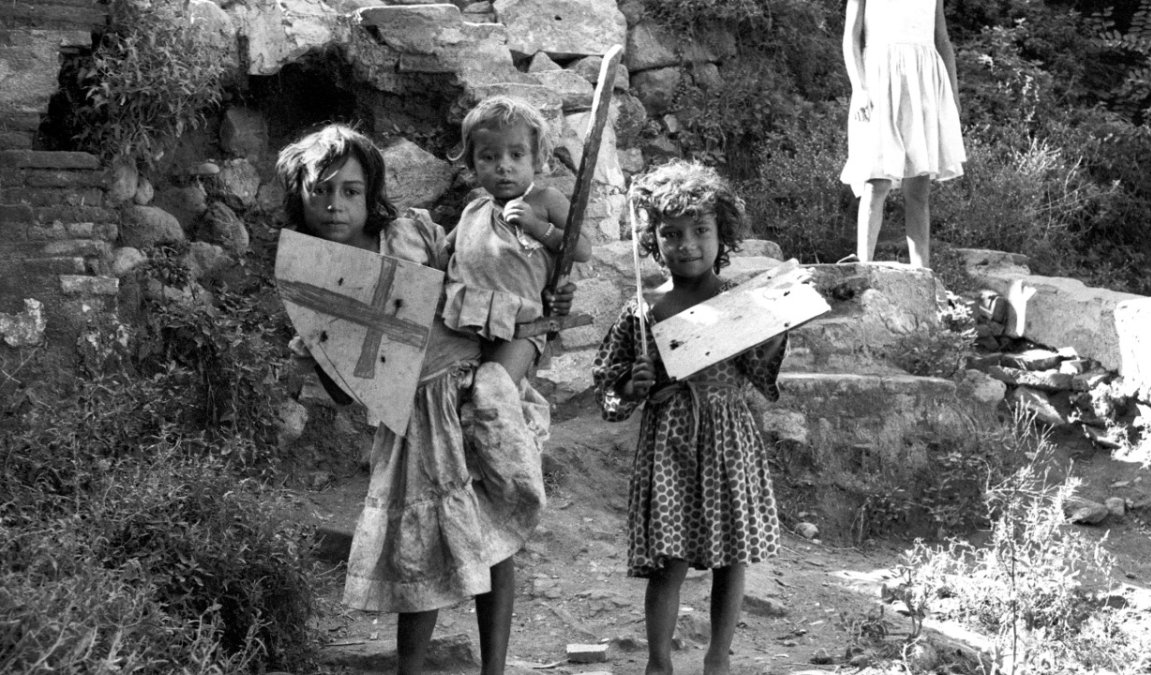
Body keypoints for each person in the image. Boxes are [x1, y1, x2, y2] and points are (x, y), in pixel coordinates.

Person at [275, 123, 572, 675]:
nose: (336, 205)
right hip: (410, 419)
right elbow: (347, 393)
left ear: (372, 195)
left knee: (496, 534)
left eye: (351, 191)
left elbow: (478, 272)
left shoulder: (409, 235)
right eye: (321, 190)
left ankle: (494, 670)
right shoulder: (312, 283)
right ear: (300, 196)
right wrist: (320, 349)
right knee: (417, 551)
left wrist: (544, 281)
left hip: (466, 385)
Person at [592, 160, 787, 675]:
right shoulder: (644, 310)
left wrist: (774, 327)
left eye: (701, 231)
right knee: (669, 560)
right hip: (671, 445)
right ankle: (659, 663)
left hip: (727, 439)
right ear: (654, 241)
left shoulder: (738, 304)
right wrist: (632, 387)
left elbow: (759, 373)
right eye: (671, 233)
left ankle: (718, 659)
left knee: (731, 556)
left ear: (722, 232)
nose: (687, 244)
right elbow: (610, 388)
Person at [443, 95, 593, 386]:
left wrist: (538, 227)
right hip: (468, 320)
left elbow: (583, 249)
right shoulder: (474, 210)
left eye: (516, 154)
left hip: (522, 326)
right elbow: (444, 251)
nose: (503, 166)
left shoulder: (545, 201)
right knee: (459, 394)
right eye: (489, 157)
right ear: (472, 164)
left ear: (537, 159)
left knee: (494, 391)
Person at [840, 0, 966, 268]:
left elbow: (942, 41)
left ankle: (922, 272)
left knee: (919, 186)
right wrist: (859, 89)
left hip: (923, 82)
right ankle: (863, 265)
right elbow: (851, 38)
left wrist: (953, 95)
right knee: (877, 180)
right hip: (878, 80)